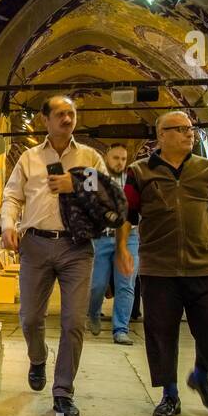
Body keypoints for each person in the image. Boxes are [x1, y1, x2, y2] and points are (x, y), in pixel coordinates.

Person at [117, 111, 208, 416]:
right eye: (182, 130)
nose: (190, 134)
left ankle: (202, 375)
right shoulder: (139, 172)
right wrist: (121, 248)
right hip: (159, 266)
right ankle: (169, 394)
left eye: (191, 129)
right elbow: (127, 213)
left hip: (203, 263)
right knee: (160, 331)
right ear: (162, 135)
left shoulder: (207, 169)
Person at [0, 95, 106, 416]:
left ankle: (63, 391)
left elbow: (106, 191)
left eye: (71, 113)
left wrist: (74, 182)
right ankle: (37, 357)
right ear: (44, 120)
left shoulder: (89, 156)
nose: (67, 118)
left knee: (74, 321)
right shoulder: (30, 158)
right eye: (60, 113)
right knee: (30, 318)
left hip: (77, 247)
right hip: (36, 243)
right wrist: (7, 225)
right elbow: (12, 196)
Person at [86, 143, 138, 345]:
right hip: (101, 238)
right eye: (116, 158)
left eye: (124, 159)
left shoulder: (133, 180)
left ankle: (121, 329)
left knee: (126, 284)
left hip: (130, 237)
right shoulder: (94, 177)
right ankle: (93, 313)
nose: (120, 162)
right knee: (97, 284)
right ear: (106, 157)